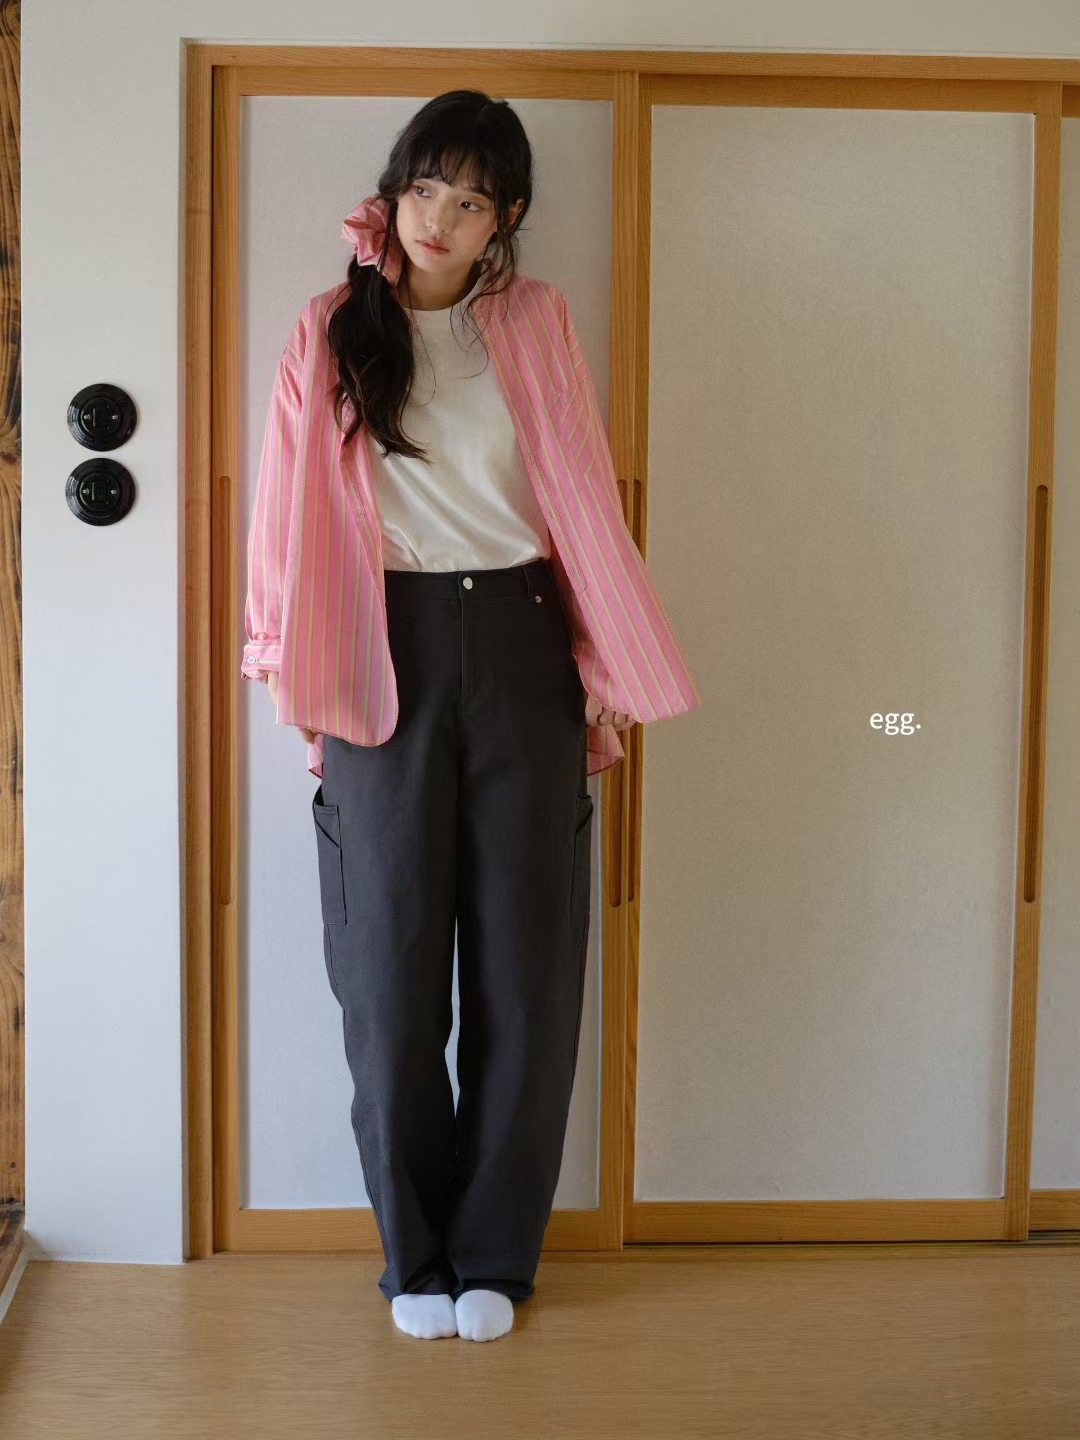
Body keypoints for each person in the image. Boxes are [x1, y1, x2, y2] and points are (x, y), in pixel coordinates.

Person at [242, 89, 700, 1342]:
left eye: (473, 199)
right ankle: (417, 1259)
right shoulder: (331, 326)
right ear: (393, 195)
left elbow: (581, 492)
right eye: (425, 189)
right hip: (375, 643)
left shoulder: (537, 322)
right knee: (388, 979)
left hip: (521, 635)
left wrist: (599, 660)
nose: (440, 218)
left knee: (526, 971)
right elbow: (282, 503)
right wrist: (281, 660)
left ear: (506, 219)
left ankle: (497, 1253)